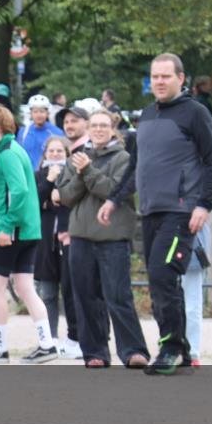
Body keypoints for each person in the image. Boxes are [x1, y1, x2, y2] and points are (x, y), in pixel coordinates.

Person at [99, 53, 212, 375]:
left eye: (166, 76)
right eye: (155, 76)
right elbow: (135, 166)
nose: (160, 81)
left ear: (181, 78)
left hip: (181, 211)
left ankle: (171, 348)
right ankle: (177, 348)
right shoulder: (147, 115)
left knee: (164, 273)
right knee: (159, 280)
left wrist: (203, 204)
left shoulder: (195, 113)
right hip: (151, 211)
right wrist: (113, 199)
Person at [55, 109, 149, 368]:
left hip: (112, 238)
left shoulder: (123, 158)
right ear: (88, 128)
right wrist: (85, 174)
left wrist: (86, 172)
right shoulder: (77, 157)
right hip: (80, 238)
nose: (98, 129)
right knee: (85, 297)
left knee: (118, 296)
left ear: (112, 129)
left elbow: (112, 190)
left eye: (103, 125)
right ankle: (95, 352)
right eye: (94, 125)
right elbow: (65, 195)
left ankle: (133, 351)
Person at [0, 105, 58, 364]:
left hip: (14, 229)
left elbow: (18, 192)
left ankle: (0, 349)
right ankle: (47, 344)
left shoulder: (7, 153)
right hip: (29, 229)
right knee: (25, 288)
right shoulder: (13, 149)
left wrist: (6, 226)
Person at [32, 135, 81, 359]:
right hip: (44, 241)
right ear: (45, 155)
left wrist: (54, 200)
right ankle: (49, 338)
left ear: (67, 154)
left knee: (71, 291)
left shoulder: (75, 173)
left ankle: (74, 337)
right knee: (48, 293)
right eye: (51, 151)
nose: (55, 155)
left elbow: (72, 202)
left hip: (68, 236)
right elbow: (35, 202)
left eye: (59, 151)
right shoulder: (39, 175)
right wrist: (49, 182)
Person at [182, 223, 210, 367]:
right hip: (167, 237)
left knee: (192, 304)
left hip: (192, 241)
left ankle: (192, 352)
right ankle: (172, 348)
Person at [15, 94, 64, 169]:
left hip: (48, 174)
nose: (39, 115)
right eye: (35, 112)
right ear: (30, 113)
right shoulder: (23, 132)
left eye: (42, 111)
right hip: (28, 174)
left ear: (48, 113)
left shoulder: (56, 132)